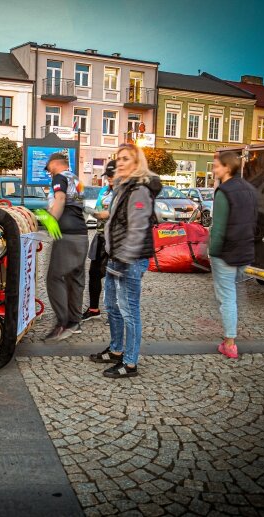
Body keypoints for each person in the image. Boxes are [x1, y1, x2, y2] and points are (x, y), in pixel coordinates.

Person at [99, 144, 162, 378]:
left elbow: (138, 228)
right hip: (117, 256)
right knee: (112, 306)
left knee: (129, 310)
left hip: (130, 259)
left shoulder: (139, 190)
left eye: (126, 159)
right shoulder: (122, 186)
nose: (120, 162)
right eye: (119, 158)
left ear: (137, 164)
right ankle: (116, 350)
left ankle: (130, 363)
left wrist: (124, 257)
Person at [209, 151, 257, 360]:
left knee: (227, 298)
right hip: (244, 250)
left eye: (216, 165)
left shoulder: (224, 192)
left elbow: (218, 228)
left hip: (226, 253)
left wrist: (212, 253)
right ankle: (232, 331)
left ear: (227, 168)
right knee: (234, 295)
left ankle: (230, 343)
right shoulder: (250, 189)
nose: (213, 169)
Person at [44, 152, 89, 342]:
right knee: (76, 279)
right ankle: (74, 322)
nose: (49, 172)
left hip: (67, 234)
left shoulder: (59, 177)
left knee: (54, 278)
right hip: (81, 233)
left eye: (49, 169)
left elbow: (60, 200)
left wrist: (50, 222)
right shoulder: (77, 180)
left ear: (54, 164)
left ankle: (61, 324)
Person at [83, 160, 116, 324]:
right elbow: (98, 210)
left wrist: (98, 214)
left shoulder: (123, 193)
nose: (109, 178)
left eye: (112, 174)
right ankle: (94, 309)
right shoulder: (104, 190)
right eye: (108, 175)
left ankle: (114, 314)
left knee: (113, 276)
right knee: (94, 273)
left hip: (115, 240)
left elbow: (110, 214)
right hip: (100, 236)